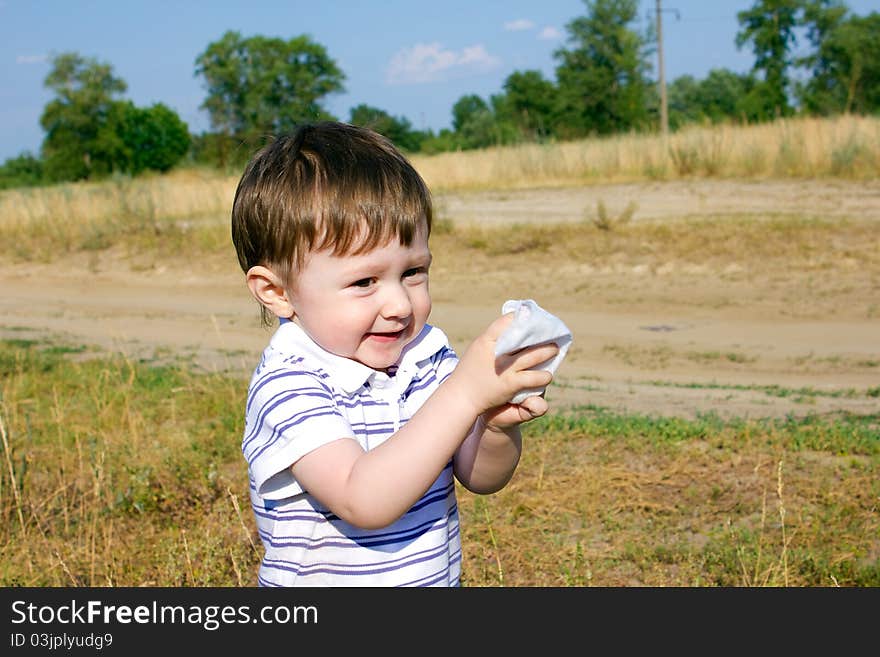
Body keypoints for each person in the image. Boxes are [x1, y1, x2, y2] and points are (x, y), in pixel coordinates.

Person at [231, 121, 559, 586]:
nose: (400, 305)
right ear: (277, 291)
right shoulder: (289, 385)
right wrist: (465, 396)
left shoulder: (424, 356)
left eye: (413, 272)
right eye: (364, 282)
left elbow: (481, 477)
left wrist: (494, 425)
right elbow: (362, 500)